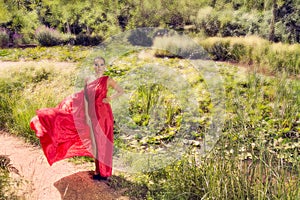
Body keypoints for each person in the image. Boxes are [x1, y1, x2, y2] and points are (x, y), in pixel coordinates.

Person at [30, 56, 124, 181]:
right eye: (96, 65)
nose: (99, 67)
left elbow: (121, 91)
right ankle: (98, 170)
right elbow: (85, 98)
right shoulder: (88, 79)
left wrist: (110, 98)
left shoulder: (108, 80)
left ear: (105, 66)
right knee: (94, 142)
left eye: (101, 65)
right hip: (91, 112)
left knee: (103, 141)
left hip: (104, 114)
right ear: (93, 66)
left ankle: (104, 173)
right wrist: (87, 114)